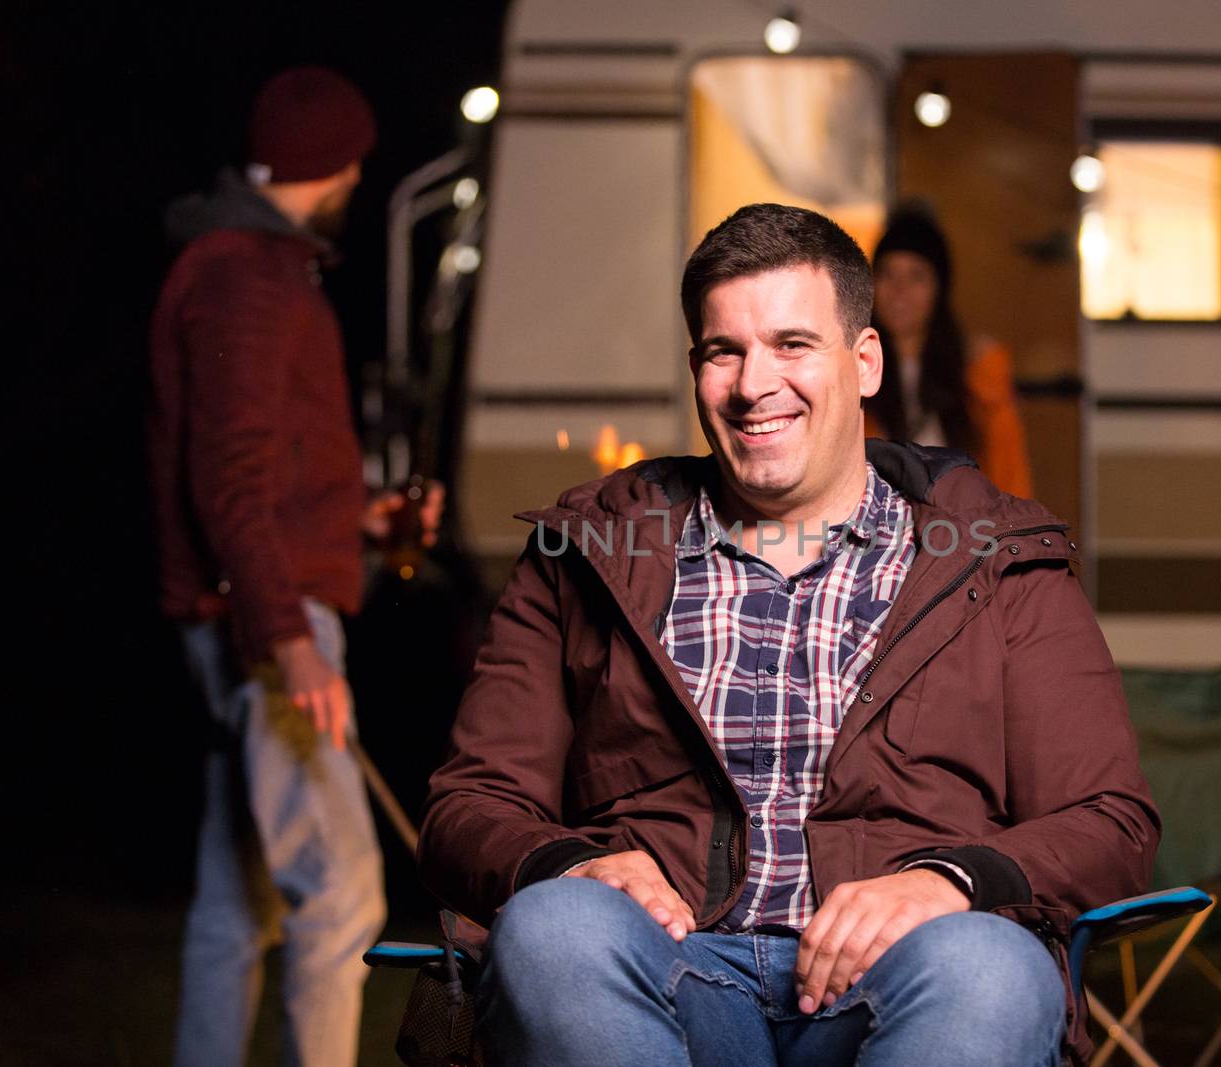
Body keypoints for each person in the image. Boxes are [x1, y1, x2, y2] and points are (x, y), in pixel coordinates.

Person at [418, 204, 1156, 1066]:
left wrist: (950, 879)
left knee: (992, 966)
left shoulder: (997, 558)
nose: (753, 384)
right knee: (554, 928)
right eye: (723, 351)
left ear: (865, 361)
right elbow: (464, 808)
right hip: (670, 973)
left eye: (792, 344)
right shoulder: (590, 551)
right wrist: (569, 864)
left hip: (900, 982)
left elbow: (1112, 821)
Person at [148, 66, 440, 1067]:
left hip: (254, 611)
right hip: (270, 627)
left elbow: (266, 475)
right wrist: (287, 641)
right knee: (344, 892)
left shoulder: (243, 267)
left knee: (239, 902)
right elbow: (226, 486)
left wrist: (354, 516)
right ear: (337, 161)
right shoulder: (248, 277)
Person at [865, 203, 1035, 498]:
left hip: (965, 532)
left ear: (939, 288)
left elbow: (1009, 473)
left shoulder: (977, 372)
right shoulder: (854, 369)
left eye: (916, 276)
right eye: (887, 274)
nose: (899, 290)